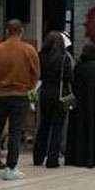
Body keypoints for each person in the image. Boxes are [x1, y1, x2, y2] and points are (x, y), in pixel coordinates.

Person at [0, 20, 40, 180]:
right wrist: (28, 86)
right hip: (19, 94)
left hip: (0, 94)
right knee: (15, 132)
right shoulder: (28, 49)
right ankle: (11, 167)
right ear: (21, 31)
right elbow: (36, 73)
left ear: (6, 31)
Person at [35, 31, 73, 168]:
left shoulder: (40, 56)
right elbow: (69, 77)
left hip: (44, 92)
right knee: (57, 126)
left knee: (43, 125)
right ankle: (52, 159)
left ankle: (38, 157)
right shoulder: (64, 58)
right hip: (59, 94)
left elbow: (38, 75)